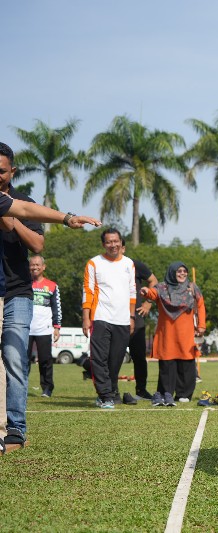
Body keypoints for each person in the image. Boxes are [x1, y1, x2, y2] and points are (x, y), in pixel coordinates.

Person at [0, 141, 100, 449]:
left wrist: (69, 219)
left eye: (1, 171)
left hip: (15, 291)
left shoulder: (16, 201)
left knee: (15, 358)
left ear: (12, 171)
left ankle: (15, 429)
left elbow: (31, 221)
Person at [82, 228, 137, 409]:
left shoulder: (129, 264)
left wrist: (131, 316)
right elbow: (88, 292)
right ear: (103, 244)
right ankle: (105, 395)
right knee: (99, 359)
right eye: (109, 242)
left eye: (116, 241)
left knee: (115, 360)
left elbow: (132, 292)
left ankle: (112, 390)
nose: (113, 245)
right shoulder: (94, 263)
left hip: (122, 320)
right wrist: (86, 317)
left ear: (121, 243)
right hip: (100, 317)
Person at [141, 262, 206, 406]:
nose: (182, 274)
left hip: (186, 332)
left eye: (184, 271)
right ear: (172, 272)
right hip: (167, 333)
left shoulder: (192, 287)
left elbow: (200, 304)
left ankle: (184, 393)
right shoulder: (162, 287)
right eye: (179, 271)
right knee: (167, 362)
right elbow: (153, 293)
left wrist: (201, 325)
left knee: (186, 362)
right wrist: (146, 291)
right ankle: (166, 393)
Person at [122, 245, 158, 400]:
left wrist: (148, 303)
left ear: (123, 248)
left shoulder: (134, 264)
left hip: (136, 317)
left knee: (139, 356)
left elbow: (153, 281)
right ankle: (109, 392)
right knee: (113, 356)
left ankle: (141, 390)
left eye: (119, 245)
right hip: (115, 317)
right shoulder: (105, 266)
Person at [27, 255, 62, 398]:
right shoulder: (24, 284)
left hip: (44, 329)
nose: (35, 267)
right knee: (23, 360)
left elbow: (57, 307)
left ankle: (47, 388)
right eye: (32, 265)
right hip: (25, 328)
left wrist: (57, 327)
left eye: (38, 265)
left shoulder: (52, 285)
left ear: (43, 267)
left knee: (45, 360)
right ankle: (21, 387)